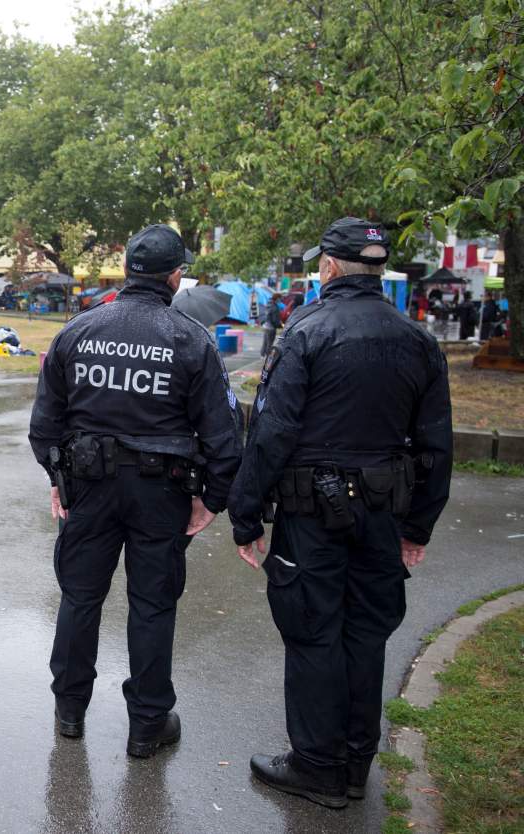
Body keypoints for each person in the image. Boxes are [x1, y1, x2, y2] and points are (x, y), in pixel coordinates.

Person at [228, 217, 452, 809]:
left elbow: (270, 433)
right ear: (376, 270)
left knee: (312, 634)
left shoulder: (305, 332)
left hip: (311, 519)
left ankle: (318, 766)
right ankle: (355, 761)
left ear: (327, 268)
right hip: (382, 513)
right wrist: (418, 525)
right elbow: (436, 444)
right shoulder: (418, 339)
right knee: (365, 633)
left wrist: (246, 516)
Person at [29, 224, 243, 757]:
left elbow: (43, 426)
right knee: (152, 607)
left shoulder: (77, 331)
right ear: (175, 276)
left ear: (127, 270)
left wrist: (59, 478)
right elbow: (223, 435)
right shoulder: (192, 338)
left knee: (80, 597)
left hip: (91, 487)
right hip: (161, 492)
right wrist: (212, 499)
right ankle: (147, 724)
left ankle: (70, 710)